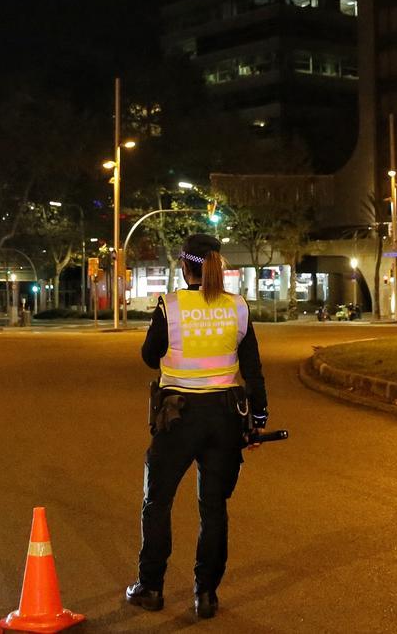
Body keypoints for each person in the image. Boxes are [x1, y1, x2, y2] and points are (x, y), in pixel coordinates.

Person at [126, 233, 267, 620]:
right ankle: (206, 595)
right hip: (223, 418)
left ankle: (151, 587)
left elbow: (148, 356)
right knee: (213, 508)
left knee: (157, 501)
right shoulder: (237, 307)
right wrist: (258, 420)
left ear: (185, 265)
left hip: (178, 416)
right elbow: (252, 369)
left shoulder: (170, 305)